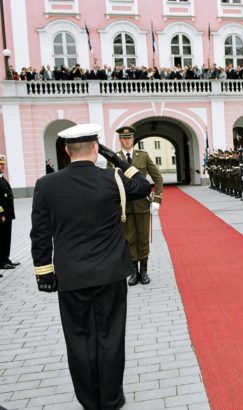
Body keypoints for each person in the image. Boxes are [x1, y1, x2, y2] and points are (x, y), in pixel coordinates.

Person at [30, 123, 151, 410]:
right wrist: (118, 159)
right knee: (110, 336)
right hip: (110, 274)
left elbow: (39, 233)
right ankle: (111, 399)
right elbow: (145, 186)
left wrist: (43, 272)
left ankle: (89, 400)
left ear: (66, 150)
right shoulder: (114, 179)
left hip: (71, 277)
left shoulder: (46, 185)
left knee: (78, 338)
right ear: (96, 149)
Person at [111, 126, 163, 286]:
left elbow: (157, 177)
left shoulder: (143, 155)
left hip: (141, 203)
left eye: (129, 138)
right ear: (120, 140)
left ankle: (144, 271)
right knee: (129, 239)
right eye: (124, 138)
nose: (127, 141)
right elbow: (109, 182)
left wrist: (157, 199)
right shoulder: (114, 158)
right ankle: (133, 272)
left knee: (143, 238)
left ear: (133, 139)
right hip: (124, 206)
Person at [0, 154, 19, 271]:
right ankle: (2, 261)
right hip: (2, 215)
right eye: (1, 165)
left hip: (8, 214)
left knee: (6, 237)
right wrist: (1, 214)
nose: (3, 167)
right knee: (2, 238)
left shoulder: (1, 178)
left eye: (3, 165)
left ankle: (6, 259)